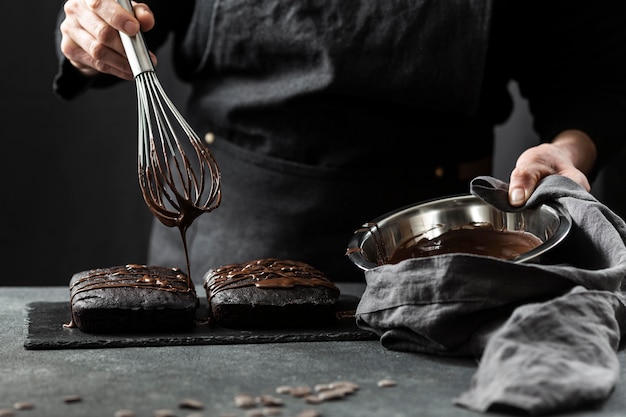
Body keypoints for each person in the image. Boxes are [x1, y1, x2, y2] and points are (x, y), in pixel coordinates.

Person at [54, 0, 626, 283]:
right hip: (229, 239)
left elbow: (591, 75)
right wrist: (95, 28)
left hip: (437, 255)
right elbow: (122, 14)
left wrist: (569, 151)